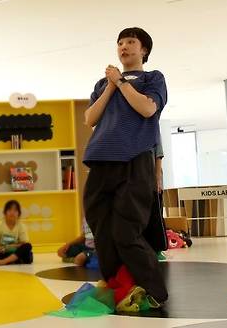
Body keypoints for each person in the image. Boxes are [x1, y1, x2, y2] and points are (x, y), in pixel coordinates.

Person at [83, 27, 168, 311]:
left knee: (126, 231)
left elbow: (147, 109)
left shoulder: (152, 78)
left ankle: (154, 290)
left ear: (143, 50)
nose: (124, 47)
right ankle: (114, 282)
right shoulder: (102, 83)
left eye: (131, 42)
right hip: (100, 158)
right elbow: (90, 118)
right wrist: (109, 86)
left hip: (134, 159)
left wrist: (120, 82)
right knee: (101, 227)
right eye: (120, 43)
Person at [0, 200, 33, 266]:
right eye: (9, 210)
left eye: (15, 210)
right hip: (5, 252)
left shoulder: (21, 226)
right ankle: (15, 260)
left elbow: (23, 243)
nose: (12, 213)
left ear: (19, 214)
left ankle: (3, 262)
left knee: (28, 246)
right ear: (5, 213)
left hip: (17, 251)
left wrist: (12, 246)